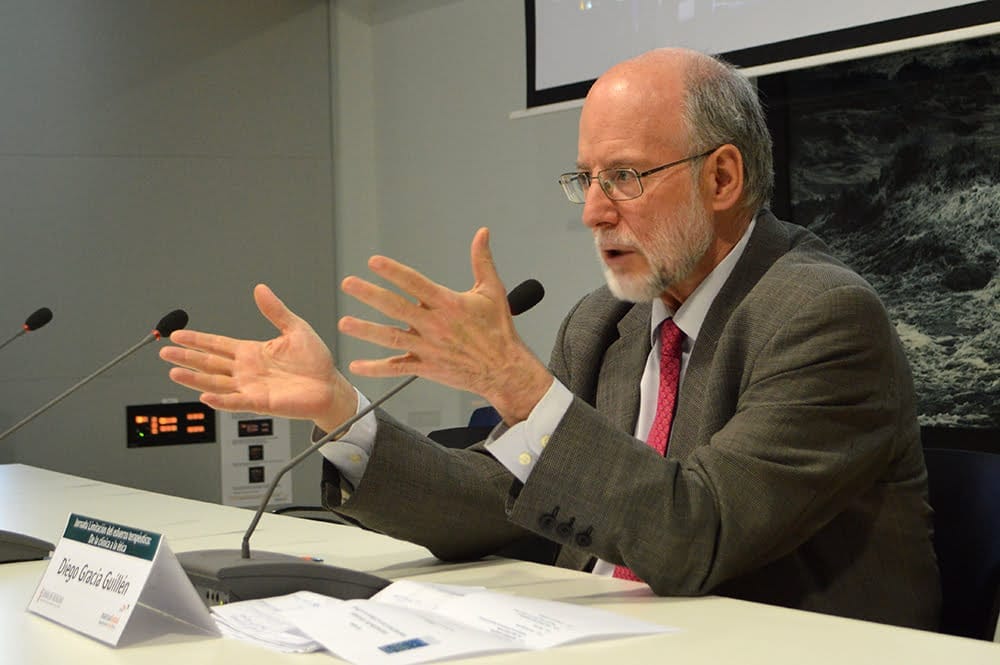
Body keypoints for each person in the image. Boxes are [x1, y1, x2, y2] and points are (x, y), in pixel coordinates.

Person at [160, 48, 940, 630]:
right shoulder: (605, 324)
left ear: (722, 178)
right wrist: (342, 413)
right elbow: (501, 502)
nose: (594, 212)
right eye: (585, 179)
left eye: (625, 177)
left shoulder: (821, 317)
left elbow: (694, 533)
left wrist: (518, 386)